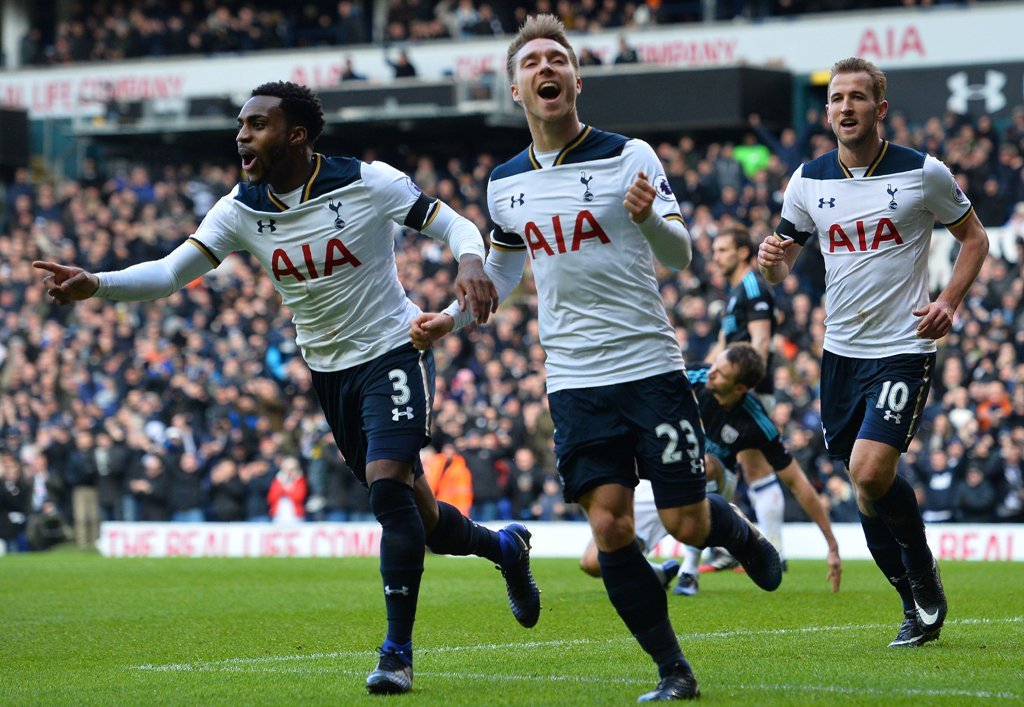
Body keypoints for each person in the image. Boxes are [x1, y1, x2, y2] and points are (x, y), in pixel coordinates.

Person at [33, 80, 540, 696]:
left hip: (393, 350)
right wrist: (97, 284)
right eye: (240, 124)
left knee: (387, 492)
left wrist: (467, 261)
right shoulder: (239, 208)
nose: (242, 134)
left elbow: (453, 224)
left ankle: (396, 654)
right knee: (424, 520)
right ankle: (507, 550)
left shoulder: (366, 181)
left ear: (297, 134)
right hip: (329, 374)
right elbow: (170, 273)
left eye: (257, 123)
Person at [411, 15, 781, 701]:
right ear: (517, 87)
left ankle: (744, 536)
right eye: (533, 61)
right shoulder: (505, 184)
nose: (546, 67)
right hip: (575, 379)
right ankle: (673, 669)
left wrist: (646, 218)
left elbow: (680, 255)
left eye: (559, 57)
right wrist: (452, 317)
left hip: (648, 365)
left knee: (685, 521)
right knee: (608, 523)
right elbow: (501, 272)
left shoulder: (628, 155)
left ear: (576, 79)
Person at [758, 57, 989, 649]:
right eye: (836, 99)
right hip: (841, 354)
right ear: (828, 110)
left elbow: (974, 238)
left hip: (903, 347)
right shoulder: (807, 180)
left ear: (879, 109)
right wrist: (773, 263)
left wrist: (950, 302)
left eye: (858, 98)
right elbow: (785, 267)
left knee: (868, 470)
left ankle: (923, 572)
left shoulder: (922, 173)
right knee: (864, 490)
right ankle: (912, 602)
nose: (845, 108)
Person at [580, 345, 841, 598]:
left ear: (739, 388)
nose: (711, 372)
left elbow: (797, 482)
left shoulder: (756, 422)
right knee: (594, 562)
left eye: (721, 372)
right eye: (716, 365)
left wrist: (831, 545)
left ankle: (690, 569)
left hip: (715, 483)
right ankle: (659, 573)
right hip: (662, 477)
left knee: (705, 462)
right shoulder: (696, 377)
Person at [702, 224, 778, 573]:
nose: (716, 257)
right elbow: (721, 346)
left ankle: (773, 550)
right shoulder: (733, 293)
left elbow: (761, 342)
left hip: (748, 391)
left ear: (743, 252)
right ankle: (728, 544)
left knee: (755, 467)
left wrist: (745, 389)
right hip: (729, 392)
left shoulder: (752, 286)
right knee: (731, 465)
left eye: (722, 250)